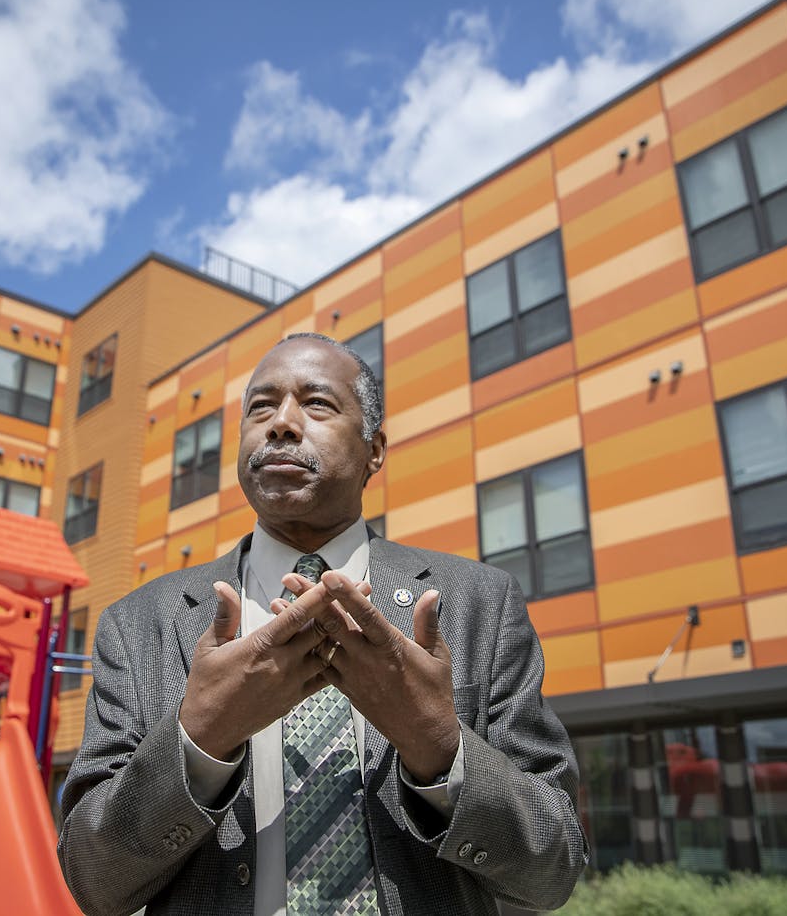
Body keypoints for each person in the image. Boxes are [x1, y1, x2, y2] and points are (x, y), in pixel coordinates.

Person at [57, 333, 587, 915]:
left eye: (317, 403)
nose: (281, 423)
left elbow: (551, 870)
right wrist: (200, 739)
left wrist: (437, 744)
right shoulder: (139, 624)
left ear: (374, 450)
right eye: (261, 406)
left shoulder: (479, 604)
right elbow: (93, 880)